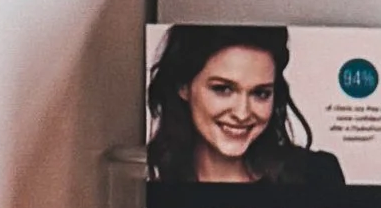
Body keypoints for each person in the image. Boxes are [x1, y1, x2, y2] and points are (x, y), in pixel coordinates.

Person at [144, 26, 345, 192]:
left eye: (260, 93)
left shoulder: (317, 176)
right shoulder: (148, 181)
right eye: (222, 89)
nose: (242, 114)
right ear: (183, 86)